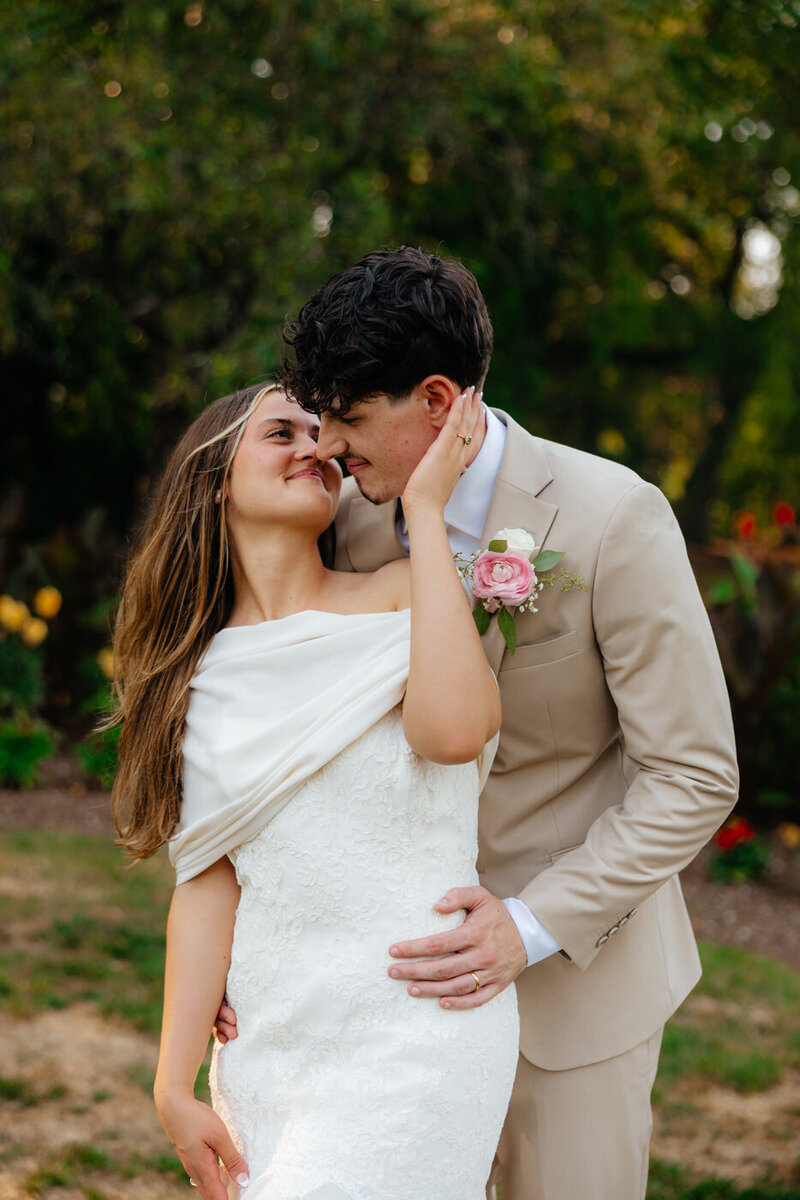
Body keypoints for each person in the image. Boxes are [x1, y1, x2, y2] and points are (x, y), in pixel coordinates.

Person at [214, 248, 739, 1200]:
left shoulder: (614, 516)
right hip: (381, 1009)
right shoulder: (350, 525)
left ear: (438, 399)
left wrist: (529, 927)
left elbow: (695, 776)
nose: (326, 445)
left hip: (572, 1000)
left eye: (349, 417)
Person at [109, 380, 520, 1200]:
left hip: (416, 1026)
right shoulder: (197, 680)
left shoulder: (405, 590)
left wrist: (429, 512)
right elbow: (209, 882)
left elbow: (454, 734)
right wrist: (171, 1082)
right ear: (216, 478)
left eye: (320, 433)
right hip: (273, 1043)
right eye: (280, 433)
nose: (315, 448)